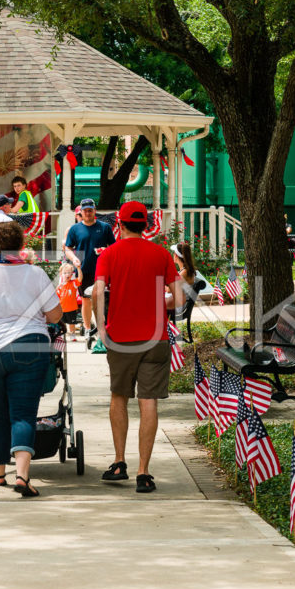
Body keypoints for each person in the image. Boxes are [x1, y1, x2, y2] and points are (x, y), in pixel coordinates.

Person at [0, 221, 62, 497]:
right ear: (22, 246)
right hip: (28, 347)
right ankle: (22, 475)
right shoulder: (36, 274)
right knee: (23, 414)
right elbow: (55, 315)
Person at [94, 201, 182, 494]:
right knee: (149, 402)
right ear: (146, 225)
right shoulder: (161, 254)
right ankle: (144, 472)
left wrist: (101, 328)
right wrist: (163, 304)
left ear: (119, 224)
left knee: (119, 397)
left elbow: (97, 291)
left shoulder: (109, 253)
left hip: (119, 337)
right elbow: (179, 298)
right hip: (155, 338)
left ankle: (119, 462)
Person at [63, 197, 115, 347]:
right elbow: (68, 248)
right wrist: (74, 259)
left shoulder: (104, 227)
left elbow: (113, 247)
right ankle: (87, 329)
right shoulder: (75, 229)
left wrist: (106, 251)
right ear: (81, 211)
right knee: (86, 300)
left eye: (90, 210)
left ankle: (103, 330)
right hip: (83, 270)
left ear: (94, 210)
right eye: (85, 210)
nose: (87, 213)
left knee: (103, 300)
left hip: (103, 270)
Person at [56, 263, 81, 340]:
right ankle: (62, 336)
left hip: (72, 309)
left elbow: (80, 278)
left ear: (72, 274)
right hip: (62, 309)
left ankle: (72, 335)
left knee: (72, 323)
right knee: (62, 324)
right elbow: (56, 297)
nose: (67, 274)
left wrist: (79, 269)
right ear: (61, 274)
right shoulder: (60, 285)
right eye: (65, 273)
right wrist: (57, 288)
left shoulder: (73, 283)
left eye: (69, 273)